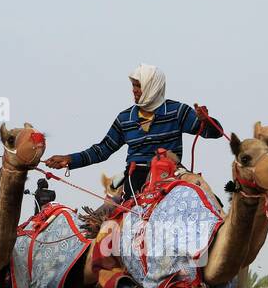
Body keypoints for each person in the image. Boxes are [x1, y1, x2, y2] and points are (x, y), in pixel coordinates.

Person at [44, 64, 223, 198]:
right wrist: (69, 160)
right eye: (134, 86)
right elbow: (102, 150)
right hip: (135, 180)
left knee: (205, 197)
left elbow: (214, 133)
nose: (134, 91)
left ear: (152, 86)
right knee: (111, 228)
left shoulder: (177, 112)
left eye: (138, 86)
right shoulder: (125, 118)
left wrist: (205, 121)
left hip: (171, 178)